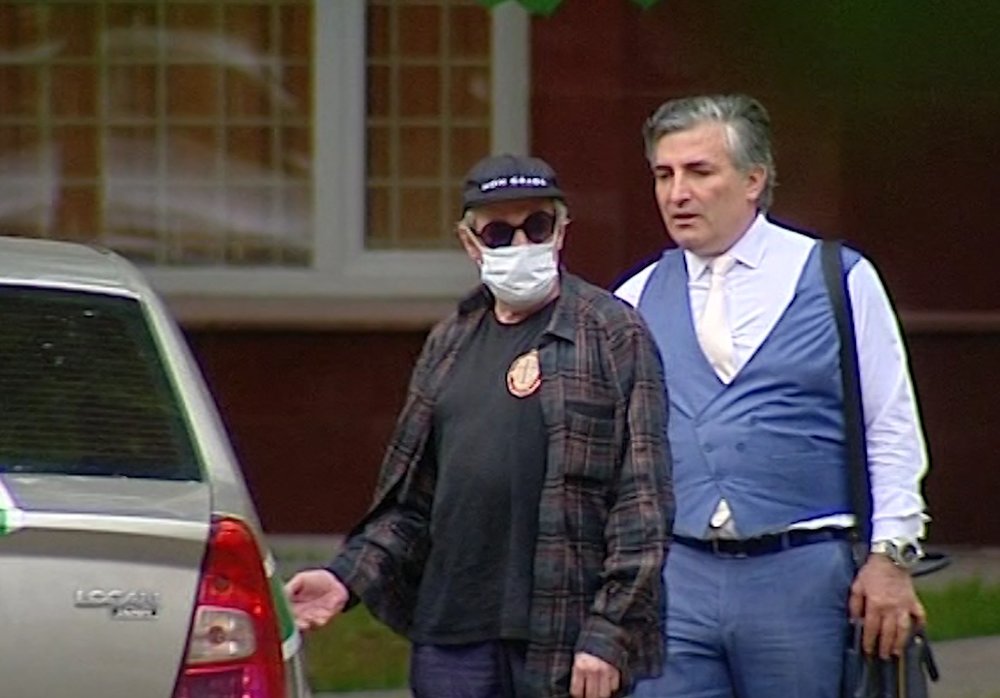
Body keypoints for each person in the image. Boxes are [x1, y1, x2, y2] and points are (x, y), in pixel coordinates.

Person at [286, 154, 673, 698]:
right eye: (498, 233)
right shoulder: (448, 344)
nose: (521, 245)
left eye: (536, 226)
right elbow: (411, 504)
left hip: (562, 638)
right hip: (451, 638)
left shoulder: (612, 333)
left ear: (561, 231)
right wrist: (344, 578)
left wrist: (611, 631)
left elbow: (642, 502)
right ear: (471, 244)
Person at [614, 94, 929, 698]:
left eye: (699, 172)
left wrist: (890, 558)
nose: (677, 193)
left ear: (753, 180)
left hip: (804, 574)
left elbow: (891, 428)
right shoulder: (634, 299)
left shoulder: (839, 279)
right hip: (677, 578)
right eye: (663, 174)